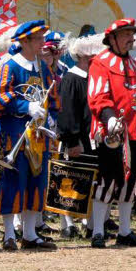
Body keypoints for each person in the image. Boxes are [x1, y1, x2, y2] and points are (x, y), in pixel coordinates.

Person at [0, 20, 57, 251]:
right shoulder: (9, 65)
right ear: (25, 41)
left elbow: (54, 100)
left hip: (39, 138)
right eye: (38, 38)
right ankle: (9, 234)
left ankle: (29, 234)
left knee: (36, 183)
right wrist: (25, 107)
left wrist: (51, 118)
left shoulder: (43, 68)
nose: (42, 43)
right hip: (15, 136)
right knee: (13, 183)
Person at [87, 18, 136, 248]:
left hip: (133, 132)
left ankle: (124, 231)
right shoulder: (100, 63)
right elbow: (97, 97)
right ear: (112, 38)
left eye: (132, 34)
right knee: (107, 179)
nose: (131, 38)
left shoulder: (134, 65)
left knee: (130, 181)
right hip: (110, 133)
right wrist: (110, 118)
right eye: (126, 34)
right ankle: (97, 231)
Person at [56, 33, 105, 238]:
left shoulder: (93, 79)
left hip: (93, 138)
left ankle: (92, 224)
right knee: (70, 182)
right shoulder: (71, 79)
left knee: (93, 182)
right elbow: (67, 113)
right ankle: (67, 223)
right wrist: (71, 141)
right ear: (84, 58)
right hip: (77, 139)